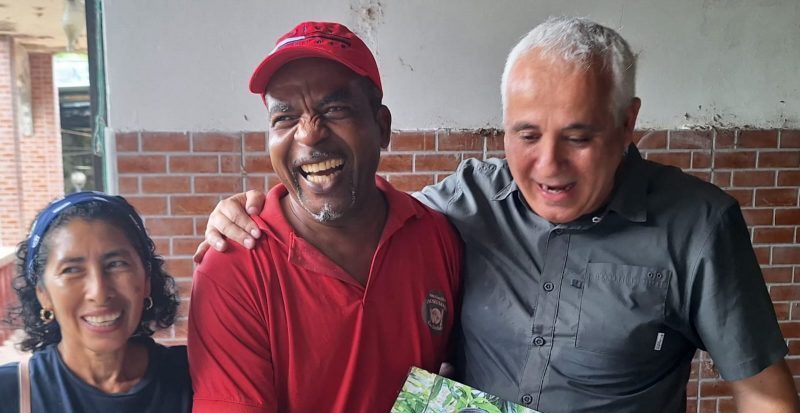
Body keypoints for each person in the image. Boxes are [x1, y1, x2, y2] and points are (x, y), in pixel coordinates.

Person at [198, 17, 800, 413]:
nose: (548, 165)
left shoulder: (699, 226)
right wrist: (248, 210)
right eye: (526, 135)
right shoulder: (465, 204)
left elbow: (766, 396)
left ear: (626, 124)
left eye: (579, 137)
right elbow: (355, 202)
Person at [187, 21, 462, 413]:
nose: (309, 134)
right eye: (284, 117)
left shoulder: (435, 237)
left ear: (382, 126)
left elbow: (450, 381)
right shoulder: (234, 268)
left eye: (334, 110)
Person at [0, 192, 191, 413]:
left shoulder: (196, 376)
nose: (99, 292)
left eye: (116, 264)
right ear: (43, 294)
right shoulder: (9, 393)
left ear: (146, 280)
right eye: (71, 270)